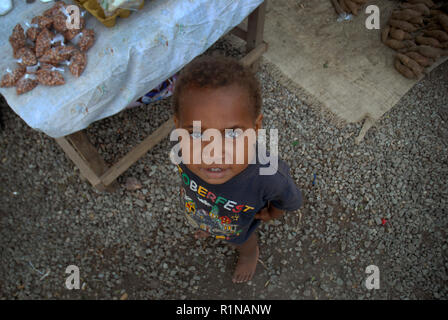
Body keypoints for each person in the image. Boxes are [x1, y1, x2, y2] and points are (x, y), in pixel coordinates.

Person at [171, 55, 302, 283]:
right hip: (200, 209)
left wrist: (272, 213)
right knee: (207, 222)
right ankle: (209, 227)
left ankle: (250, 253)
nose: (213, 152)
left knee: (239, 239)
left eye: (232, 134)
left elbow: (288, 200)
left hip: (237, 226)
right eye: (197, 133)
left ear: (256, 127)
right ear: (178, 128)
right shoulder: (182, 150)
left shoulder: (269, 173)